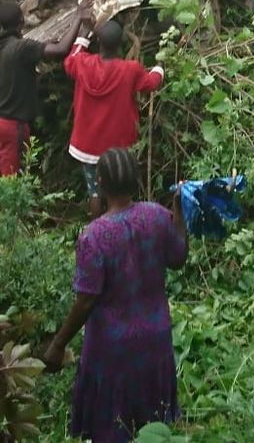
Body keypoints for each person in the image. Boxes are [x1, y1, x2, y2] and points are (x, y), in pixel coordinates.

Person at [44, 148, 188, 443]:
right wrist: (179, 214)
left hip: (112, 353)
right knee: (152, 430)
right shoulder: (157, 216)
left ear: (100, 182)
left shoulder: (93, 236)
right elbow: (178, 258)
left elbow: (86, 300)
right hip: (155, 342)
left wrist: (58, 344)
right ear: (135, 179)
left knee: (111, 430)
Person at [64, 20, 164, 217]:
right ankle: (118, 229)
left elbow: (70, 59)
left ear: (99, 43)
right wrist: (160, 67)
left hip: (87, 145)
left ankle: (97, 229)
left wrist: (83, 35)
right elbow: (151, 83)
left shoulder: (82, 63)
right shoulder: (130, 69)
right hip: (118, 148)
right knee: (119, 194)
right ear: (120, 45)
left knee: (95, 192)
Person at [0, 0, 93, 175]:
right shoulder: (21, 47)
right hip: (13, 126)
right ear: (22, 21)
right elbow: (61, 49)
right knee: (10, 180)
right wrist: (78, 18)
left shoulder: (6, 47)